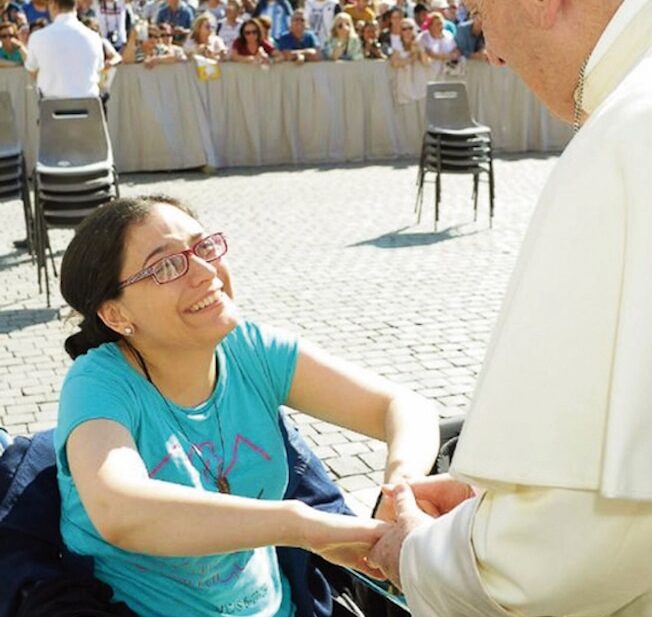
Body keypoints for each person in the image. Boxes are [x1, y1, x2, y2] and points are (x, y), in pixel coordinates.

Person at [368, 0, 652, 615]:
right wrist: (507, 497)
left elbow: (580, 542)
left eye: (484, 15)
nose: (493, 51)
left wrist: (422, 552)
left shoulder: (650, 129)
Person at [56, 195, 440, 617]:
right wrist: (300, 527)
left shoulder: (251, 350)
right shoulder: (98, 384)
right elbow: (119, 508)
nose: (206, 272)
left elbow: (404, 406)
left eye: (203, 248)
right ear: (115, 314)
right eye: (166, 266)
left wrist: (399, 489)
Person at [25, 0, 103, 98]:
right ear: (75, 5)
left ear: (53, 5)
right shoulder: (94, 37)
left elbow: (32, 70)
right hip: (89, 106)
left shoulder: (37, 37)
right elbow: (99, 68)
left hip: (52, 107)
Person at [388, 16, 427, 104]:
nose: (408, 31)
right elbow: (395, 63)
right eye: (404, 29)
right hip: (404, 87)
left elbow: (426, 62)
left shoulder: (420, 42)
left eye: (410, 28)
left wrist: (420, 49)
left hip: (419, 85)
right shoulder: (397, 45)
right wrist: (411, 59)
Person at [121, 21, 187, 66]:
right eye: (150, 35)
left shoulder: (160, 49)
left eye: (156, 37)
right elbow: (126, 61)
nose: (153, 39)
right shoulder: (135, 51)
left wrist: (158, 59)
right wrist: (133, 36)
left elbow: (175, 57)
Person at [415, 11, 458, 76]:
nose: (441, 26)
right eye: (438, 24)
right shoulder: (422, 37)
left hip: (446, 73)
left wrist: (437, 55)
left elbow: (455, 51)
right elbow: (426, 56)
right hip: (428, 74)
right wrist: (445, 56)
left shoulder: (448, 35)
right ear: (430, 26)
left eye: (441, 24)